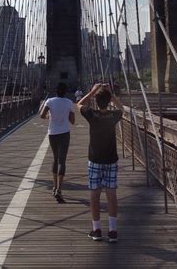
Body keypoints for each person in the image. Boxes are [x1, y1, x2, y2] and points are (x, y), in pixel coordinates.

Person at [77, 83, 123, 243]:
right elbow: (121, 108)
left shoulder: (92, 114)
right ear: (108, 100)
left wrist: (92, 91)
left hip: (95, 160)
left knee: (94, 196)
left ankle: (96, 229)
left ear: (96, 101)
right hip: (111, 160)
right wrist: (111, 94)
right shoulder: (113, 116)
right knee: (112, 195)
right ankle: (113, 230)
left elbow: (79, 104)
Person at [40, 81, 76, 203]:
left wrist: (50, 117)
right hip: (64, 133)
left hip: (53, 133)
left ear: (56, 91)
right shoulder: (69, 103)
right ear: (65, 91)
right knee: (62, 161)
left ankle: (54, 186)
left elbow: (41, 115)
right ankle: (59, 189)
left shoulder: (49, 101)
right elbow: (72, 121)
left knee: (55, 159)